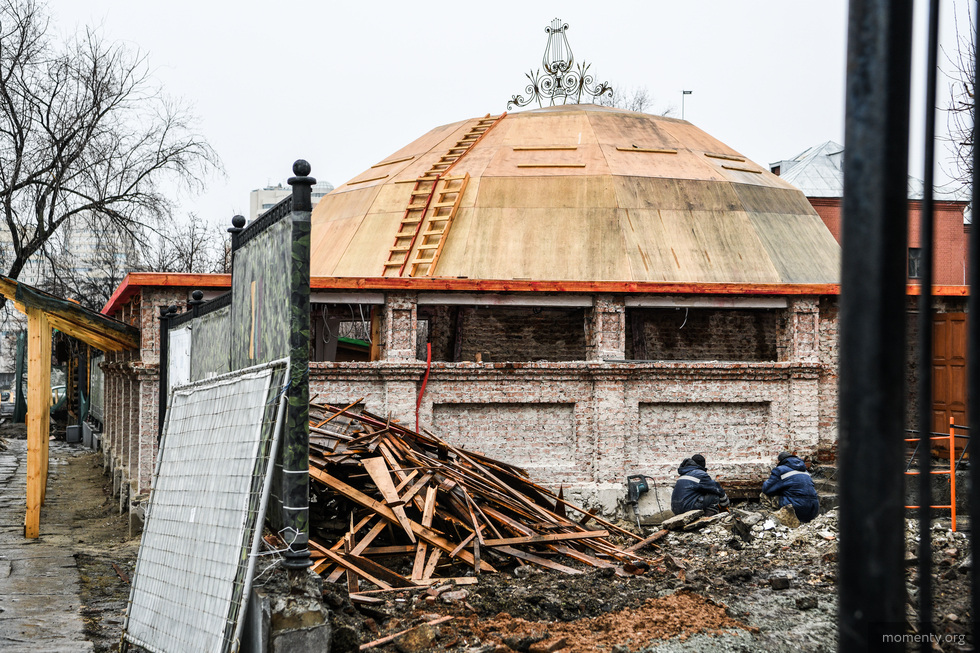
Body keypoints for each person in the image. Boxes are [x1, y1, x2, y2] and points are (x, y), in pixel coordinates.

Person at [761, 451, 820, 523]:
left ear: (780, 461)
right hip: (813, 510)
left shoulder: (780, 469)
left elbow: (766, 489)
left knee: (764, 495)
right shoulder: (805, 470)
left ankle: (776, 519)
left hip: (795, 509)